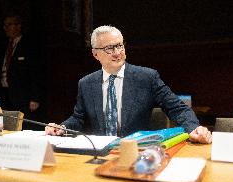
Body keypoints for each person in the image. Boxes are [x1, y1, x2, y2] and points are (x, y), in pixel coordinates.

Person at [46, 25, 212, 144]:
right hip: (100, 152)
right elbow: (79, 118)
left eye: (119, 45)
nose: (118, 52)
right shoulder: (86, 83)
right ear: (95, 54)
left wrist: (193, 128)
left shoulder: (147, 77)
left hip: (136, 151)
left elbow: (177, 108)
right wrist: (62, 127)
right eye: (110, 48)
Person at [0, 13, 46, 130]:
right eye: (5, 25)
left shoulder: (29, 45)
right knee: (6, 126)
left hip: (23, 95)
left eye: (9, 25)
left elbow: (36, 72)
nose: (5, 28)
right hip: (4, 92)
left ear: (18, 26)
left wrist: (35, 97)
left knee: (25, 126)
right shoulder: (3, 45)